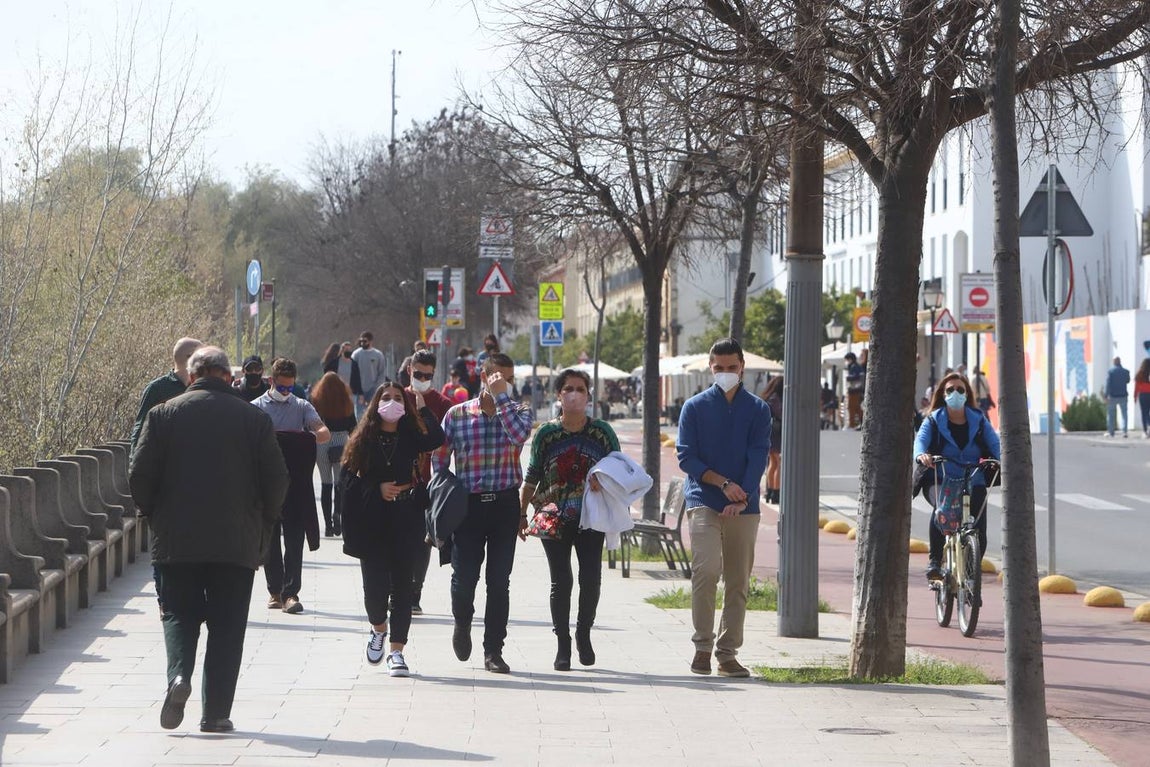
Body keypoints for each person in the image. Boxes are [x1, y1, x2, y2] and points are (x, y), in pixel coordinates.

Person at [129, 346, 289, 733]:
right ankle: (215, 713)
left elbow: (139, 475)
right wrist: (264, 524)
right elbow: (277, 479)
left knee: (178, 615)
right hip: (236, 542)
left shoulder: (163, 415)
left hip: (176, 539)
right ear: (227, 375)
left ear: (190, 375)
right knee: (227, 626)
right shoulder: (254, 418)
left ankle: (179, 676)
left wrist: (155, 515)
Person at [432, 352, 533, 674]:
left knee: (498, 582)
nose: (504, 384)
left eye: (509, 379)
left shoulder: (519, 412)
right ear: (483, 376)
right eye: (497, 378)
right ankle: (462, 623)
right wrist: (445, 490)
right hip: (468, 506)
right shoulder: (457, 414)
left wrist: (502, 397)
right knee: (464, 578)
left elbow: (519, 437)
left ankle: (494, 650)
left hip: (504, 504)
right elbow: (439, 457)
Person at [676, 338, 771, 678]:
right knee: (706, 571)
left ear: (742, 367)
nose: (726, 373)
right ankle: (702, 646)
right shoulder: (695, 407)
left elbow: (758, 454)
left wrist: (742, 495)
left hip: (744, 504)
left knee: (738, 580)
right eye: (720, 368)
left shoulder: (758, 410)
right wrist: (723, 485)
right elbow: (686, 456)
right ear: (710, 367)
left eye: (732, 367)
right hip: (704, 499)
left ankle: (727, 654)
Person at [340, 381, 445, 676]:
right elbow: (347, 482)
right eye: (386, 398)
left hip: (406, 518)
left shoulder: (412, 435)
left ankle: (397, 652)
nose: (392, 402)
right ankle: (378, 629)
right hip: (372, 523)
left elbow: (436, 438)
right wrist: (376, 489)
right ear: (375, 404)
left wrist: (423, 410)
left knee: (402, 589)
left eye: (398, 398)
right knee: (374, 589)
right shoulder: (363, 439)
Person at [520, 368, 620, 671]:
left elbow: (619, 471)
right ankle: (562, 643)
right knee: (561, 580)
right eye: (568, 389)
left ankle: (583, 633)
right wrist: (521, 513)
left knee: (591, 578)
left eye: (580, 389)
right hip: (554, 515)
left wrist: (605, 481)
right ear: (558, 395)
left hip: (592, 516)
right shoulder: (547, 434)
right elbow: (532, 476)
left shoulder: (602, 432)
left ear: (589, 396)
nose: (574, 394)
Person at [251, 358, 331, 614]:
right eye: (282, 387)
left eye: (290, 388)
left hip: (295, 486)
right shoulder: (257, 408)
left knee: (295, 539)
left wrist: (314, 434)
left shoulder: (301, 406)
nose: (286, 392)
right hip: (267, 484)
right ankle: (275, 591)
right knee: (271, 538)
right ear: (271, 381)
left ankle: (291, 593)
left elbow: (323, 431)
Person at [914, 371, 1001, 583]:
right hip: (941, 477)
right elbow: (921, 441)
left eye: (960, 390)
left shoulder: (978, 420)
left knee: (978, 529)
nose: (955, 393)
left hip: (974, 477)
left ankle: (971, 577)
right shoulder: (933, 420)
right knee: (941, 511)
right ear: (943, 394)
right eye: (950, 390)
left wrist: (1002, 459)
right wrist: (921, 455)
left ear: (967, 394)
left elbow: (995, 443)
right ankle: (935, 562)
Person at [402, 349, 452, 615]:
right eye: (418, 373)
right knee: (398, 538)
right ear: (410, 370)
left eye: (427, 375)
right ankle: (396, 589)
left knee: (423, 540)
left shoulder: (442, 403)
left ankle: (414, 592)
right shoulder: (397, 395)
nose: (422, 378)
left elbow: (445, 440)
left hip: (427, 482)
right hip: (398, 480)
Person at [130, 337, 204, 454]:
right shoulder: (157, 389)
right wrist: (135, 466)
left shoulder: (204, 387)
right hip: (165, 463)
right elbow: (141, 429)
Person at [309, 372, 357, 537]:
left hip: (322, 441)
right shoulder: (346, 401)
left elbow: (310, 424)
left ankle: (328, 525)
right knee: (339, 483)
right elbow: (353, 427)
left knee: (325, 483)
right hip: (341, 441)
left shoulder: (316, 401)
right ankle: (338, 515)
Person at [352, 331, 389, 418]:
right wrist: (358, 391)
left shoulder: (378, 355)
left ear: (371, 341)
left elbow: (381, 373)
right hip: (359, 391)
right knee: (359, 416)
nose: (362, 343)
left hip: (373, 390)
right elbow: (353, 375)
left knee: (373, 414)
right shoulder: (356, 355)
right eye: (361, 341)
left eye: (365, 341)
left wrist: (376, 389)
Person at [760, 376, 783, 505]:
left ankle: (769, 491)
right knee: (779, 463)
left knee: (772, 463)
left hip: (769, 431)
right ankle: (776, 492)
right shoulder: (777, 398)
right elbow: (781, 414)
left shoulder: (768, 397)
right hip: (778, 431)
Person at [1105, 356, 1131, 438]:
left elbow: (1108, 384)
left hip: (1113, 396)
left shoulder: (1111, 372)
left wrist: (1106, 395)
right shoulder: (1126, 372)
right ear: (1120, 362)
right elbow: (1128, 381)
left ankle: (1111, 432)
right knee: (1124, 414)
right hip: (1123, 395)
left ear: (1114, 362)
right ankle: (1124, 432)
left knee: (1111, 414)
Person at [844, 351, 864, 429]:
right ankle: (863, 422)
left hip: (853, 390)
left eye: (847, 360)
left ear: (850, 359)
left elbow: (856, 377)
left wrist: (848, 377)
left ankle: (851, 425)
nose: (846, 362)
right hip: (856, 390)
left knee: (851, 407)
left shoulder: (854, 367)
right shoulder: (856, 366)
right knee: (856, 407)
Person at [1135, 359, 1150, 438]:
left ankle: (1145, 431)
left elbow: (1137, 387)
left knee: (1144, 413)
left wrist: (1135, 397)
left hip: (1143, 395)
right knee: (1147, 412)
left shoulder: (1140, 373)